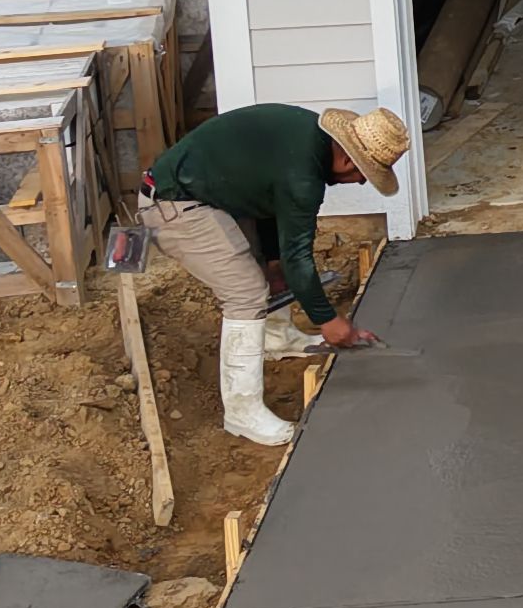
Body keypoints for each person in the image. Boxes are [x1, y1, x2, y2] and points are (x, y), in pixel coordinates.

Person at [140, 103, 407, 445]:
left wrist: (273, 261)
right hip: (173, 204)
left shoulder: (306, 140)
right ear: (345, 160)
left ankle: (277, 338)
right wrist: (330, 322)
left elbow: (264, 200)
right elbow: (299, 257)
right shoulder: (303, 173)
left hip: (210, 197)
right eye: (363, 175)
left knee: (269, 268)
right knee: (246, 292)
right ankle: (242, 412)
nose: (359, 184)